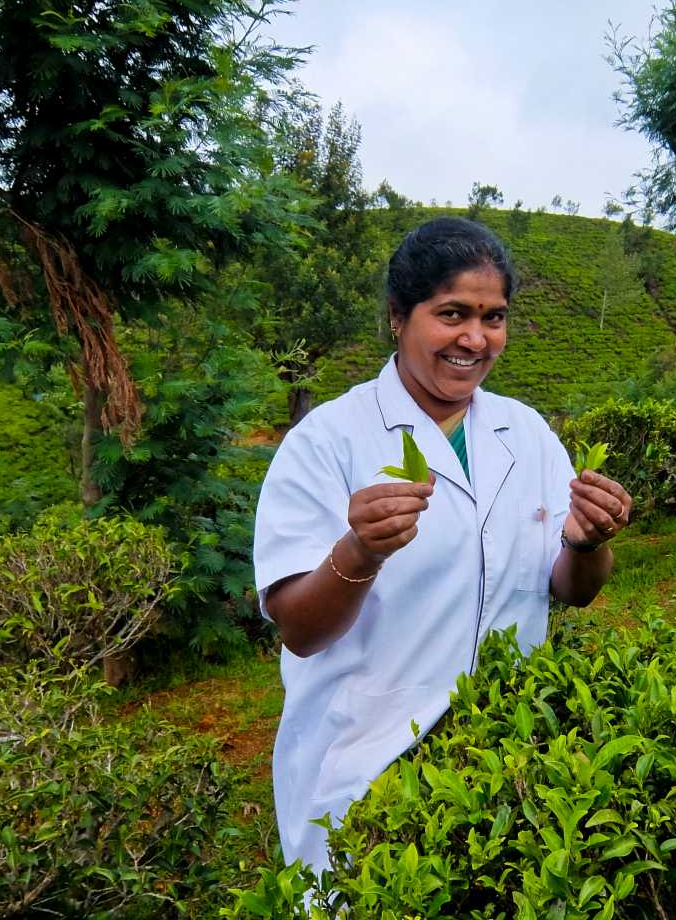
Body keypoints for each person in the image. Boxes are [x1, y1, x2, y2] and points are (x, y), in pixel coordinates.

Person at [252, 216, 632, 875]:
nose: (475, 339)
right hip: (368, 764)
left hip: (506, 758)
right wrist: (359, 554)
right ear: (399, 318)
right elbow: (299, 630)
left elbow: (572, 589)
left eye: (494, 317)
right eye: (452, 313)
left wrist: (588, 542)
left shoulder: (528, 433)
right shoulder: (329, 441)